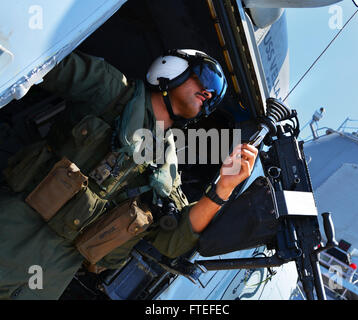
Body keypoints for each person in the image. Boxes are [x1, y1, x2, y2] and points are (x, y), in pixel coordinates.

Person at [0, 49, 258, 300]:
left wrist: (224, 187)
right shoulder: (109, 89)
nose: (209, 93)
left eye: (216, 95)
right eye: (207, 78)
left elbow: (174, 241)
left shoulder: (166, 167)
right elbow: (33, 60)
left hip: (52, 274)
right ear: (171, 67)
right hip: (15, 230)